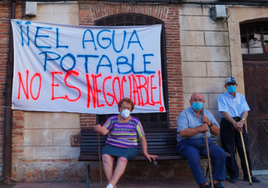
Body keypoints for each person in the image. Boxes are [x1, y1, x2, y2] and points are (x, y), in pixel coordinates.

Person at [94, 98, 158, 188]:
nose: (126, 110)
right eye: (124, 108)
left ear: (131, 110)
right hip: (111, 146)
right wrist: (99, 128)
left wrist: (145, 153)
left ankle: (111, 184)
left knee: (123, 159)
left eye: (128, 108)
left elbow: (142, 138)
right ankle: (112, 185)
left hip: (129, 148)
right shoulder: (112, 119)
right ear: (119, 108)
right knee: (105, 156)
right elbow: (104, 131)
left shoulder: (135, 122)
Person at [176, 93, 226, 188]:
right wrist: (200, 128)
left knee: (220, 153)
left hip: (206, 143)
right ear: (190, 102)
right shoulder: (184, 114)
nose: (197, 102)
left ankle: (215, 181)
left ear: (203, 102)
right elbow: (182, 133)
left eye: (200, 100)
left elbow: (217, 132)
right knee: (193, 155)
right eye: (195, 100)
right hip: (187, 144)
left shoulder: (208, 114)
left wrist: (209, 123)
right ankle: (203, 184)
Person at [218, 77, 261, 183]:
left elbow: (246, 110)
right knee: (229, 150)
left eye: (233, 84)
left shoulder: (241, 97)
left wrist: (241, 121)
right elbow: (224, 112)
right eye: (229, 85)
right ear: (225, 86)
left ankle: (248, 175)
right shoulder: (222, 97)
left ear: (236, 85)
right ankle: (233, 175)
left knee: (244, 149)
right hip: (228, 123)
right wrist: (234, 123)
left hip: (240, 123)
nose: (231, 86)